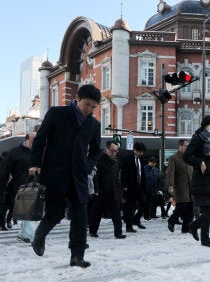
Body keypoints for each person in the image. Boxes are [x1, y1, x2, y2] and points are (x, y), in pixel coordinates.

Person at [29, 84, 102, 268]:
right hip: (55, 173)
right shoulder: (56, 113)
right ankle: (39, 235)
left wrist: (87, 166)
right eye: (87, 105)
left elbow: (95, 151)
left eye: (94, 107)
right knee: (55, 214)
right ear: (78, 98)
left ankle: (77, 256)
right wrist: (35, 163)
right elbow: (40, 140)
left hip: (79, 178)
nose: (90, 110)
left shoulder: (94, 124)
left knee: (80, 217)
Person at [183, 115, 210, 247]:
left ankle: (194, 226)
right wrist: (199, 162)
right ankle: (204, 238)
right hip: (201, 177)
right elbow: (186, 156)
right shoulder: (198, 138)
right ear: (205, 125)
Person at [0, 132, 37, 241]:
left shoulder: (39, 151)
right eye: (33, 141)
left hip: (37, 186)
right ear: (26, 140)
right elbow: (4, 171)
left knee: (31, 212)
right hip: (20, 188)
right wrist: (2, 189)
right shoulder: (14, 152)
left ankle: (23, 234)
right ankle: (33, 236)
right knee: (28, 211)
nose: (35, 144)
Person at [89, 141, 126, 239]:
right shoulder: (100, 160)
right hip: (102, 191)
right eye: (112, 150)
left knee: (116, 214)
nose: (114, 153)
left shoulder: (117, 160)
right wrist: (96, 190)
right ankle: (93, 231)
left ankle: (118, 233)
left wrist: (120, 187)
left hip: (114, 191)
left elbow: (119, 175)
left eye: (116, 151)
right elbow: (96, 176)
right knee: (97, 213)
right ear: (106, 149)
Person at [167, 139, 194, 233]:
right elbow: (170, 173)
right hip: (180, 187)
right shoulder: (173, 158)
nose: (187, 148)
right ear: (180, 146)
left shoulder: (190, 158)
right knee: (182, 206)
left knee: (190, 207)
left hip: (191, 187)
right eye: (186, 146)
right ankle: (171, 221)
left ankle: (186, 228)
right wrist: (170, 185)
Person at [121, 142, 148, 233]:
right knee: (130, 207)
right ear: (135, 150)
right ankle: (129, 226)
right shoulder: (127, 159)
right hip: (130, 186)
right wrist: (124, 185)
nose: (142, 153)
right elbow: (123, 173)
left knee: (145, 203)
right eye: (140, 151)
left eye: (143, 152)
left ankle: (136, 219)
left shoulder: (141, 159)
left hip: (139, 186)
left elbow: (142, 172)